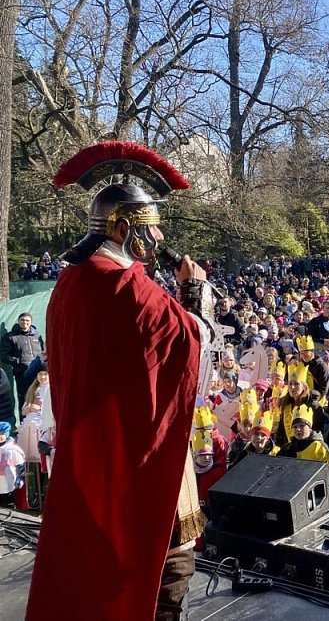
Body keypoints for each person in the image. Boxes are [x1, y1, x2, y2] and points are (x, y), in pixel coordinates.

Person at [28, 142, 210, 621]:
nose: (160, 238)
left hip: (90, 449)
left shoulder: (71, 281)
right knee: (163, 570)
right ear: (125, 228)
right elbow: (192, 345)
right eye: (152, 229)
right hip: (133, 454)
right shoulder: (130, 288)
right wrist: (193, 291)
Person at [0, 312, 45, 413]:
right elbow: (3, 355)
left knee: (40, 397)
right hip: (22, 373)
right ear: (19, 321)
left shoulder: (37, 336)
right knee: (24, 399)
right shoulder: (10, 337)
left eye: (27, 321)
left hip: (38, 374)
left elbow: (43, 351)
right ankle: (23, 425)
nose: (25, 322)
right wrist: (18, 362)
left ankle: (39, 425)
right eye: (22, 320)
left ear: (31, 323)